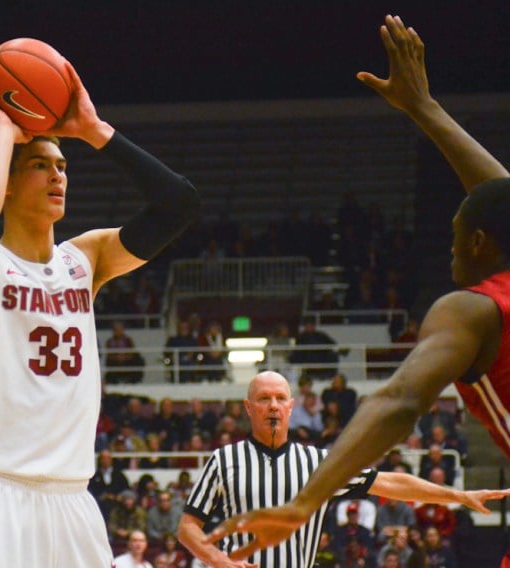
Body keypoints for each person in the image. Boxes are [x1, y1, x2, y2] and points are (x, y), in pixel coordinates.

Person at [205, 14, 510, 558]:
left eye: (456, 237)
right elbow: (500, 196)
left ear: (481, 243)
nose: (449, 250)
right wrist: (424, 107)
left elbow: (398, 402)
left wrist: (302, 505)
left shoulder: (474, 310)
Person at [0, 56, 199, 567]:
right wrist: (3, 132)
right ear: (6, 183)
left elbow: (179, 206)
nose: (58, 175)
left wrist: (95, 131)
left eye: (63, 166)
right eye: (41, 165)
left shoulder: (87, 258)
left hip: (74, 498)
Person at [180, 371, 510, 567]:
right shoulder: (223, 459)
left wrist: (458, 494)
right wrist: (220, 562)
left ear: (292, 407)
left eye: (281, 398)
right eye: (264, 399)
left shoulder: (317, 463)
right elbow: (187, 526)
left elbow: (390, 482)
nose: (273, 406)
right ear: (249, 408)